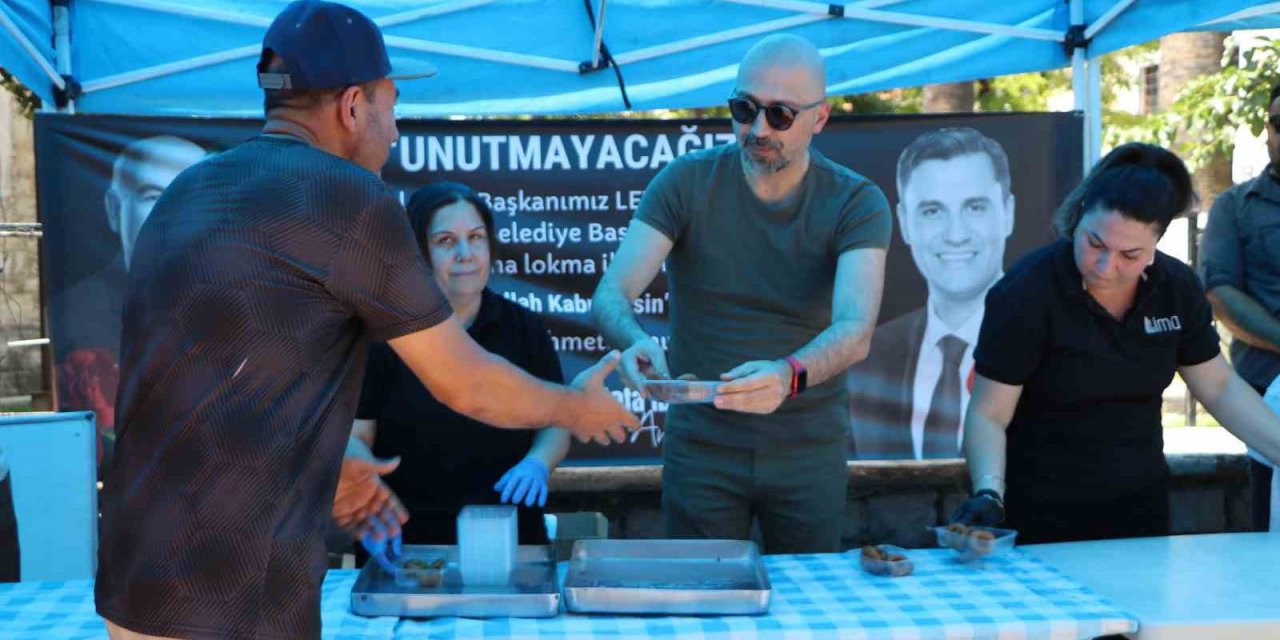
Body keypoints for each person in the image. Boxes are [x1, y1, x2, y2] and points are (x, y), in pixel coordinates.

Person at [93, 2, 638, 639]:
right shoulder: (346, 197)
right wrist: (576, 408)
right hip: (233, 591)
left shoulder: (187, 190)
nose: (396, 130)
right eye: (391, 104)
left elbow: (220, 375)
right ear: (353, 106)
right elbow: (466, 384)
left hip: (134, 577)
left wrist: (331, 457)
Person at [591, 34, 891, 554]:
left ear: (819, 119)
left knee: (808, 596)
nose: (757, 129)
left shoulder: (856, 201)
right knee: (700, 591)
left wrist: (787, 375)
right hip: (701, 447)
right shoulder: (686, 181)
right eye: (744, 108)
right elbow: (612, 294)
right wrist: (633, 340)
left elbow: (855, 329)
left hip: (807, 448)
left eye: (780, 115)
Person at [955, 142, 1280, 544]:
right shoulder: (1027, 292)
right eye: (1095, 244)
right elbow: (988, 412)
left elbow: (1219, 387)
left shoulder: (1175, 289)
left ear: (1157, 245)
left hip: (1140, 512)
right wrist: (989, 491)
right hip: (1039, 514)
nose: (1106, 267)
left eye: (1130, 254)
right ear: (1078, 219)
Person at [351, 182, 570, 564]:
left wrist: (538, 463)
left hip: (511, 543)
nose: (465, 254)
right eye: (446, 241)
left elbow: (557, 423)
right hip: (408, 548)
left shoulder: (524, 329)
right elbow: (354, 437)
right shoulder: (384, 337)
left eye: (476, 238)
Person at [849, 127, 1015, 460]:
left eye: (974, 207)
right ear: (904, 223)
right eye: (932, 211)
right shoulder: (863, 361)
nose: (956, 234)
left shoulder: (1051, 348)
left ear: (1008, 213)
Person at [53, 136, 207, 459]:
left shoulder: (235, 303)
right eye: (153, 196)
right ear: (114, 209)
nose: (174, 213)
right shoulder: (76, 313)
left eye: (191, 195)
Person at [1199, 81, 1280, 532]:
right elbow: (1221, 295)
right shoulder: (1234, 207)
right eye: (1279, 123)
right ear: (1267, 128)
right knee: (1273, 532)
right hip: (1267, 395)